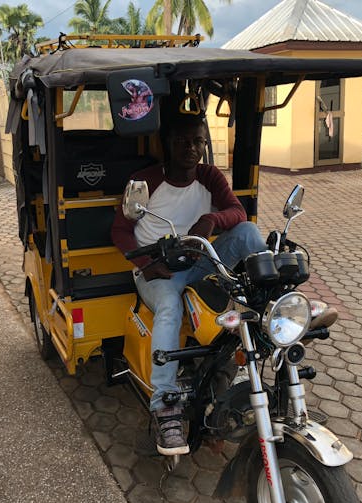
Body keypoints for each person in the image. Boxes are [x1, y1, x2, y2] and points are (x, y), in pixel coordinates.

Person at [111, 113, 267, 455]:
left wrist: (211, 218)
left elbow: (237, 213)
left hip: (199, 262)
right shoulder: (145, 181)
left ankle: (268, 328)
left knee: (249, 233)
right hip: (157, 269)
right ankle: (164, 404)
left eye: (198, 141)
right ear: (167, 144)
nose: (192, 148)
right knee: (169, 307)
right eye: (183, 141)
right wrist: (145, 264)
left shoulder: (209, 176)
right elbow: (119, 231)